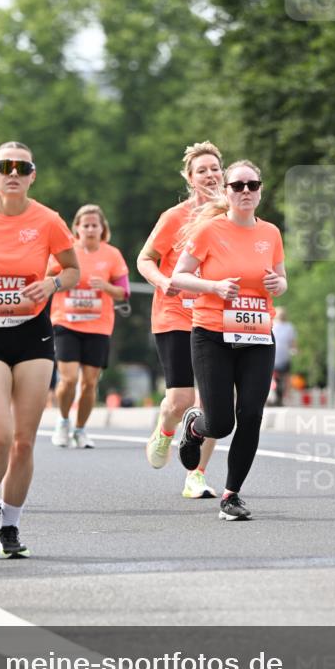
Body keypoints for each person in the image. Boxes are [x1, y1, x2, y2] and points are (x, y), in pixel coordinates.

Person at [0, 141, 79, 558]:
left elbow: (73, 268)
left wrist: (53, 283)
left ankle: (11, 526)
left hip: (32, 333)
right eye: (6, 166)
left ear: (31, 175)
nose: (13, 173)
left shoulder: (48, 220)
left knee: (24, 441)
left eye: (22, 167)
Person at [171, 159, 287, 521]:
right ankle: (194, 426)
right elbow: (180, 276)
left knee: (251, 414)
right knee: (221, 424)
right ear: (227, 192)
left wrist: (277, 285)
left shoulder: (271, 233)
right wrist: (214, 287)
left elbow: (281, 281)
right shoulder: (209, 231)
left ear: (261, 190)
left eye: (253, 185)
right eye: (238, 186)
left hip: (256, 335)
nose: (246, 191)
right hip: (211, 335)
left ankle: (231, 494)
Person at [136, 142, 222, 499]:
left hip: (216, 316)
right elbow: (145, 259)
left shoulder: (231, 218)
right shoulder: (175, 217)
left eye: (215, 168)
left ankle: (196, 475)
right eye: (201, 170)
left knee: (215, 403)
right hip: (175, 314)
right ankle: (166, 428)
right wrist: (162, 282)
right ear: (190, 178)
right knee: (181, 399)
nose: (209, 175)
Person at [50, 204, 129, 449]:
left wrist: (105, 287)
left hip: (98, 326)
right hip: (66, 321)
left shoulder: (112, 255)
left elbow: (124, 292)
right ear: (77, 228)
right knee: (69, 378)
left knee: (90, 383)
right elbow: (47, 278)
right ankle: (63, 422)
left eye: (95, 225)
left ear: (102, 228)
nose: (91, 229)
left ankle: (81, 429)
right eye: (86, 225)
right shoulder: (66, 251)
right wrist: (63, 282)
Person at [272, 306, 297, 406]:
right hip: (273, 356)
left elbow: (293, 341)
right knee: (272, 378)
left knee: (285, 378)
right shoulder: (271, 324)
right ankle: (272, 396)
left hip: (284, 357)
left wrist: (294, 349)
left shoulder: (289, 327)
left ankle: (283, 397)